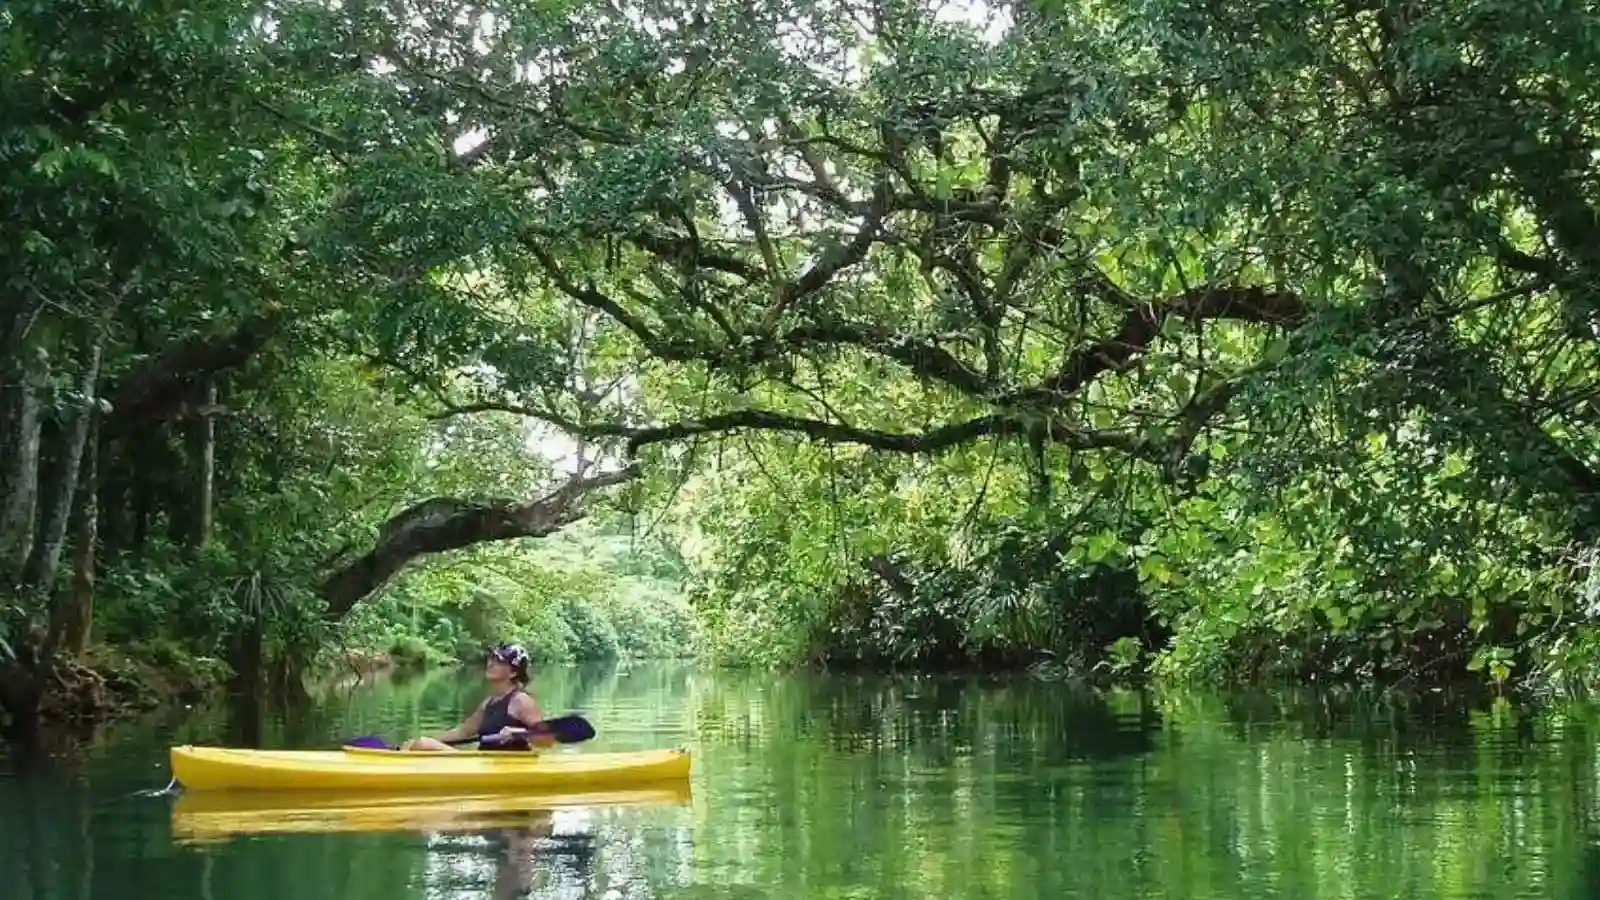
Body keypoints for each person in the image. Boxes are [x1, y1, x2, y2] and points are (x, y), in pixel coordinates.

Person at [401, 643, 550, 751]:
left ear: (513, 673)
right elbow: (462, 733)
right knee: (416, 743)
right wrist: (428, 739)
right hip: (485, 764)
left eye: (499, 661)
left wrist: (519, 733)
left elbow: (546, 740)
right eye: (492, 658)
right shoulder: (488, 703)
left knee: (424, 745)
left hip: (508, 768)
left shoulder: (521, 701)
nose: (491, 663)